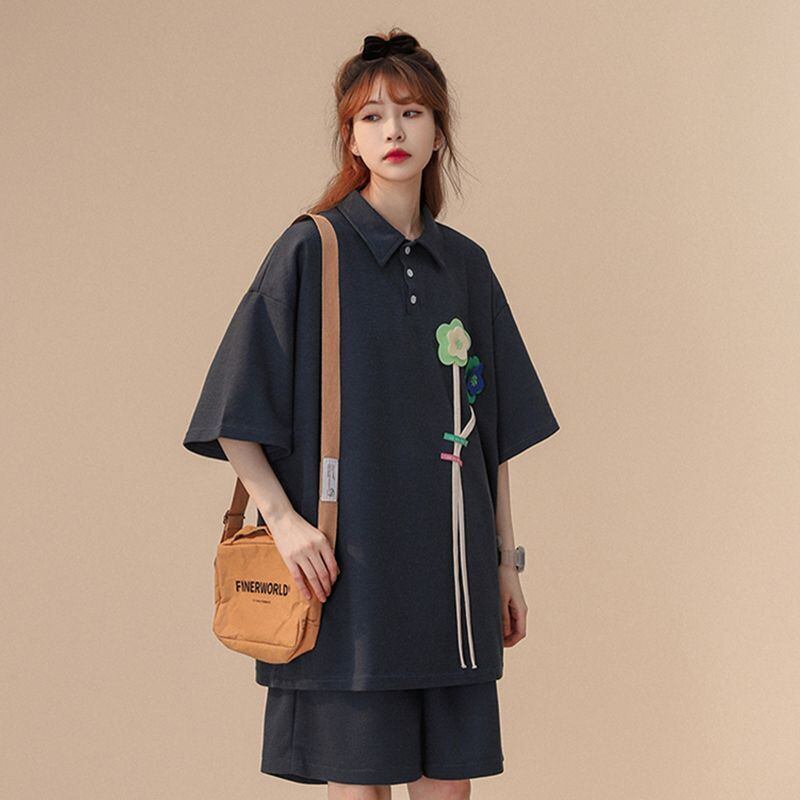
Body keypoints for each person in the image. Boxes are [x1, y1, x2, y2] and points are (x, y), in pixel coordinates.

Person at [183, 28, 560, 799]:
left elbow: (488, 436)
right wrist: (284, 524)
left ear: (438, 132)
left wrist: (505, 564)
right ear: (350, 138)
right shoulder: (311, 250)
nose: (394, 131)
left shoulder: (467, 267)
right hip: (350, 577)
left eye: (412, 113)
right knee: (360, 788)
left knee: (449, 789)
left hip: (451, 582)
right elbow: (232, 405)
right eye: (373, 116)